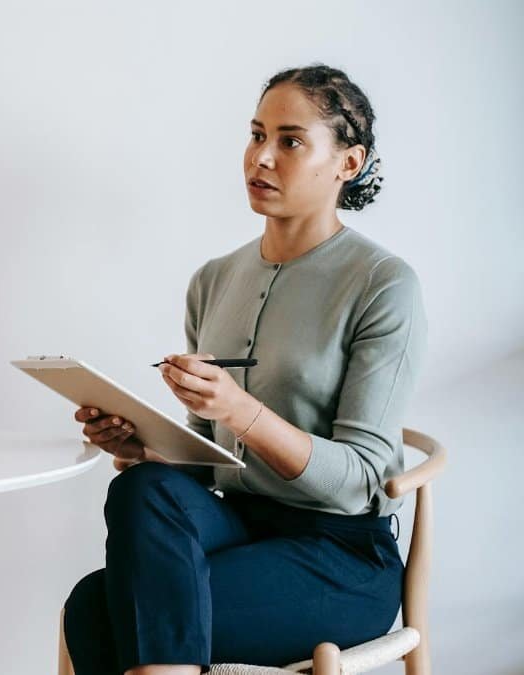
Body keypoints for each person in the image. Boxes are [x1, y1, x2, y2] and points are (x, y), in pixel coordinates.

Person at [63, 65, 426, 674]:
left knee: (98, 610)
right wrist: (141, 446)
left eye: (290, 141)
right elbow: (209, 460)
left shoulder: (383, 285)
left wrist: (240, 409)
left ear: (348, 162)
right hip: (237, 524)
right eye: (256, 135)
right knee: (141, 489)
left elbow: (359, 482)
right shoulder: (213, 280)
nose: (261, 157)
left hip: (338, 555)